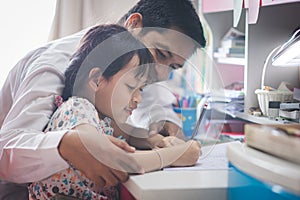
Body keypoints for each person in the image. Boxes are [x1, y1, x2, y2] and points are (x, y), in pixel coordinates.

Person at [0, 0, 206, 198]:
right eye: (161, 54)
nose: (162, 75)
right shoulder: (55, 65)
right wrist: (65, 145)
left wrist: (162, 126)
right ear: (134, 25)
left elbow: (153, 107)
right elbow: (5, 153)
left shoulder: (137, 65)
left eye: (173, 67)